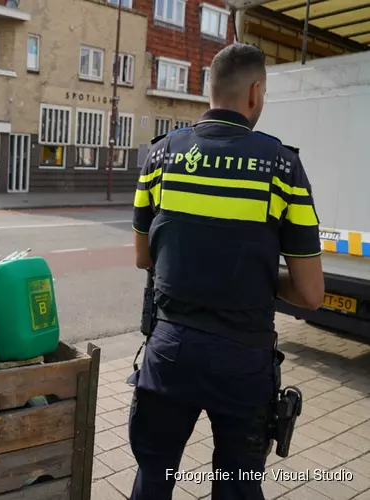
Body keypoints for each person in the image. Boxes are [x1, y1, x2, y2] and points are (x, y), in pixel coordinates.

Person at [128, 43, 324, 500]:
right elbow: (311, 294)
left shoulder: (159, 158)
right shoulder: (283, 168)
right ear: (255, 92)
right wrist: (251, 280)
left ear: (208, 88)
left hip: (170, 351)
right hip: (242, 360)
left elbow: (144, 258)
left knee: (153, 478)